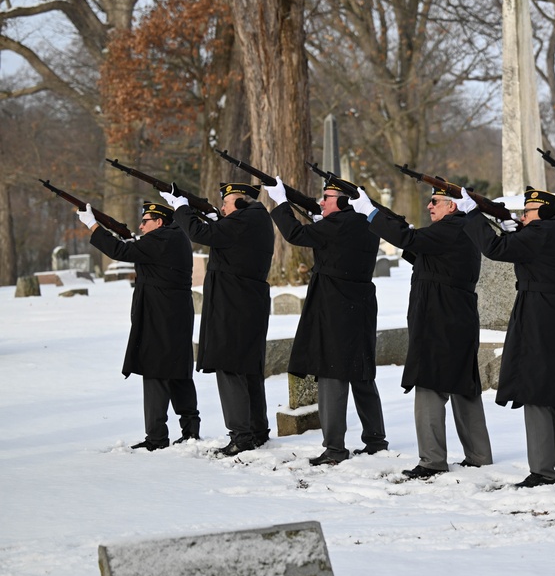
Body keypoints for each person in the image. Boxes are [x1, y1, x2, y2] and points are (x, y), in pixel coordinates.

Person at [349, 185, 492, 479]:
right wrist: (391, 220)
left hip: (439, 319)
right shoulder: (460, 229)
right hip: (455, 317)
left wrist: (372, 213)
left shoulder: (451, 228)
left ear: (452, 206)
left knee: (429, 384)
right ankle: (478, 455)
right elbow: (416, 249)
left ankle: (432, 460)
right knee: (463, 385)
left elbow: (408, 239)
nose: (429, 206)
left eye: (435, 201)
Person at [460, 186, 555, 488]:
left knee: (536, 386)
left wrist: (474, 215)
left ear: (543, 213)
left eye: (528, 212)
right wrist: (509, 229)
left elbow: (495, 249)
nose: (523, 216)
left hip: (540, 311)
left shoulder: (542, 232)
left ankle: (542, 470)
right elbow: (520, 247)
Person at [263, 177, 388, 466]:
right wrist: (319, 214)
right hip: (360, 305)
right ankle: (375, 439)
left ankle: (334, 448)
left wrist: (282, 202)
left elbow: (294, 234)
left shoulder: (338, 224)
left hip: (335, 306)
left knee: (332, 374)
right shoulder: (363, 222)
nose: (321, 202)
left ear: (344, 202)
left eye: (328, 198)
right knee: (361, 373)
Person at [161, 182, 274, 457]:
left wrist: (181, 208)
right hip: (246, 303)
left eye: (225, 203)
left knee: (230, 366)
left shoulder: (244, 221)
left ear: (239, 203)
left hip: (233, 305)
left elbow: (199, 232)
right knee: (248, 368)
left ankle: (241, 435)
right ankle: (256, 430)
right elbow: (220, 235)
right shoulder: (254, 220)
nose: (222, 208)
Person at [77, 201, 200, 450]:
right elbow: (133, 250)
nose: (141, 227)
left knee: (155, 372)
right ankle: (190, 431)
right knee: (178, 372)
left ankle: (156, 437)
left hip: (160, 317)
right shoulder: (173, 237)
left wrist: (92, 225)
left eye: (146, 222)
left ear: (159, 222)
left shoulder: (163, 238)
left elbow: (120, 252)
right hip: (171, 315)